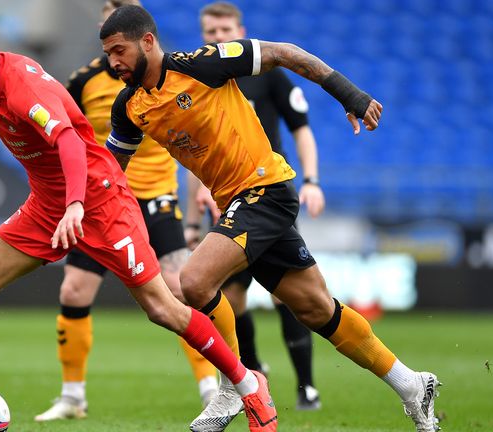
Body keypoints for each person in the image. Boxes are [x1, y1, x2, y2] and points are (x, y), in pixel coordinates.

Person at [0, 25, 274, 432]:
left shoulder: (26, 91)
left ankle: (247, 384)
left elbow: (70, 144)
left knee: (162, 308)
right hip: (47, 207)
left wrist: (76, 204)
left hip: (99, 203)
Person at [100, 5, 440, 432]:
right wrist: (86, 207)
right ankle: (412, 385)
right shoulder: (130, 106)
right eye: (108, 53)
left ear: (147, 41)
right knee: (317, 309)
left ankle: (232, 387)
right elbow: (112, 170)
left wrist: (349, 94)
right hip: (237, 203)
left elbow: (284, 52)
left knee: (194, 280)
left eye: (119, 50)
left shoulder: (202, 65)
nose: (112, 62)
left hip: (266, 190)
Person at [35, 0, 218, 422]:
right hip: (104, 200)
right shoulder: (82, 81)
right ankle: (72, 397)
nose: (114, 49)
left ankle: (211, 388)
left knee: (181, 288)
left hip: (156, 198)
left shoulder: (170, 77)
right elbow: (66, 137)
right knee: (73, 292)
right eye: (107, 27)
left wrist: (202, 188)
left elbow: (196, 135)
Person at [184, 1, 326, 411]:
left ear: (240, 29)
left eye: (224, 29)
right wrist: (192, 222)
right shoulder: (198, 80)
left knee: (288, 295)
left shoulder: (267, 75)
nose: (217, 38)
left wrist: (313, 179)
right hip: (223, 199)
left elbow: (302, 129)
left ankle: (306, 386)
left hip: (267, 194)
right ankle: (251, 372)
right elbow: (194, 153)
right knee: (231, 296)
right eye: (209, 32)